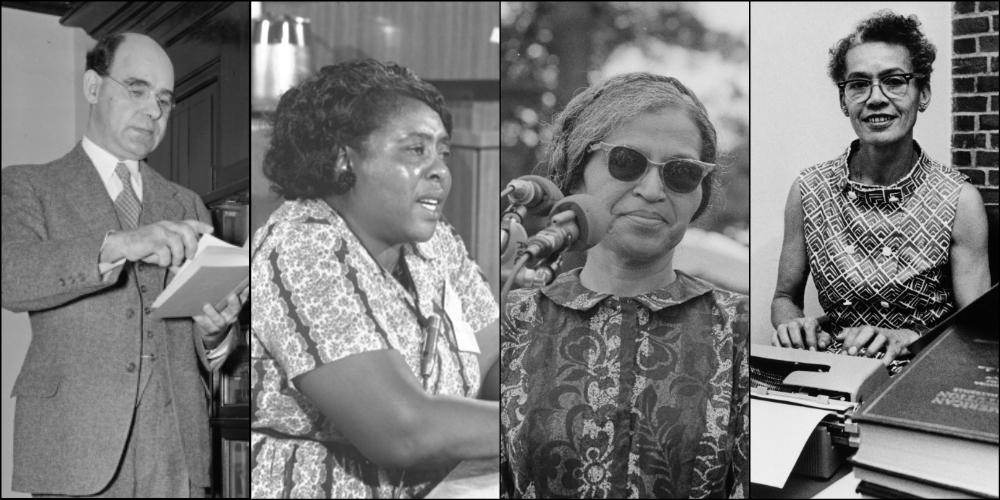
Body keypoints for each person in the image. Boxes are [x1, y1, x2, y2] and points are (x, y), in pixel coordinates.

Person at [1, 33, 247, 498]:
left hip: (177, 446)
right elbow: (9, 274)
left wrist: (215, 334)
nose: (153, 111)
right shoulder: (29, 186)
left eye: (164, 100)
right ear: (93, 87)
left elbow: (204, 341)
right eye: (137, 89)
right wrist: (122, 243)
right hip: (76, 448)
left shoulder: (188, 204)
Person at [250, 59, 500, 499]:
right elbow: (401, 430)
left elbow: (492, 359)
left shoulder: (435, 243)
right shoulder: (299, 249)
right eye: (415, 150)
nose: (440, 170)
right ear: (344, 159)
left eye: (443, 151)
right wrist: (542, 421)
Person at [501, 72, 749, 499]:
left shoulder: (738, 329)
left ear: (699, 196)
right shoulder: (512, 318)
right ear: (575, 175)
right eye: (626, 162)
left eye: (682, 172)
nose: (652, 190)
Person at [771, 10, 991, 366]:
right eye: (858, 84)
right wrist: (794, 327)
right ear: (844, 101)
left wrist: (911, 338)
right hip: (830, 373)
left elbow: (977, 330)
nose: (875, 97)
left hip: (921, 378)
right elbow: (783, 296)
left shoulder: (959, 201)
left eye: (894, 80)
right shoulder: (808, 190)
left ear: (923, 94)